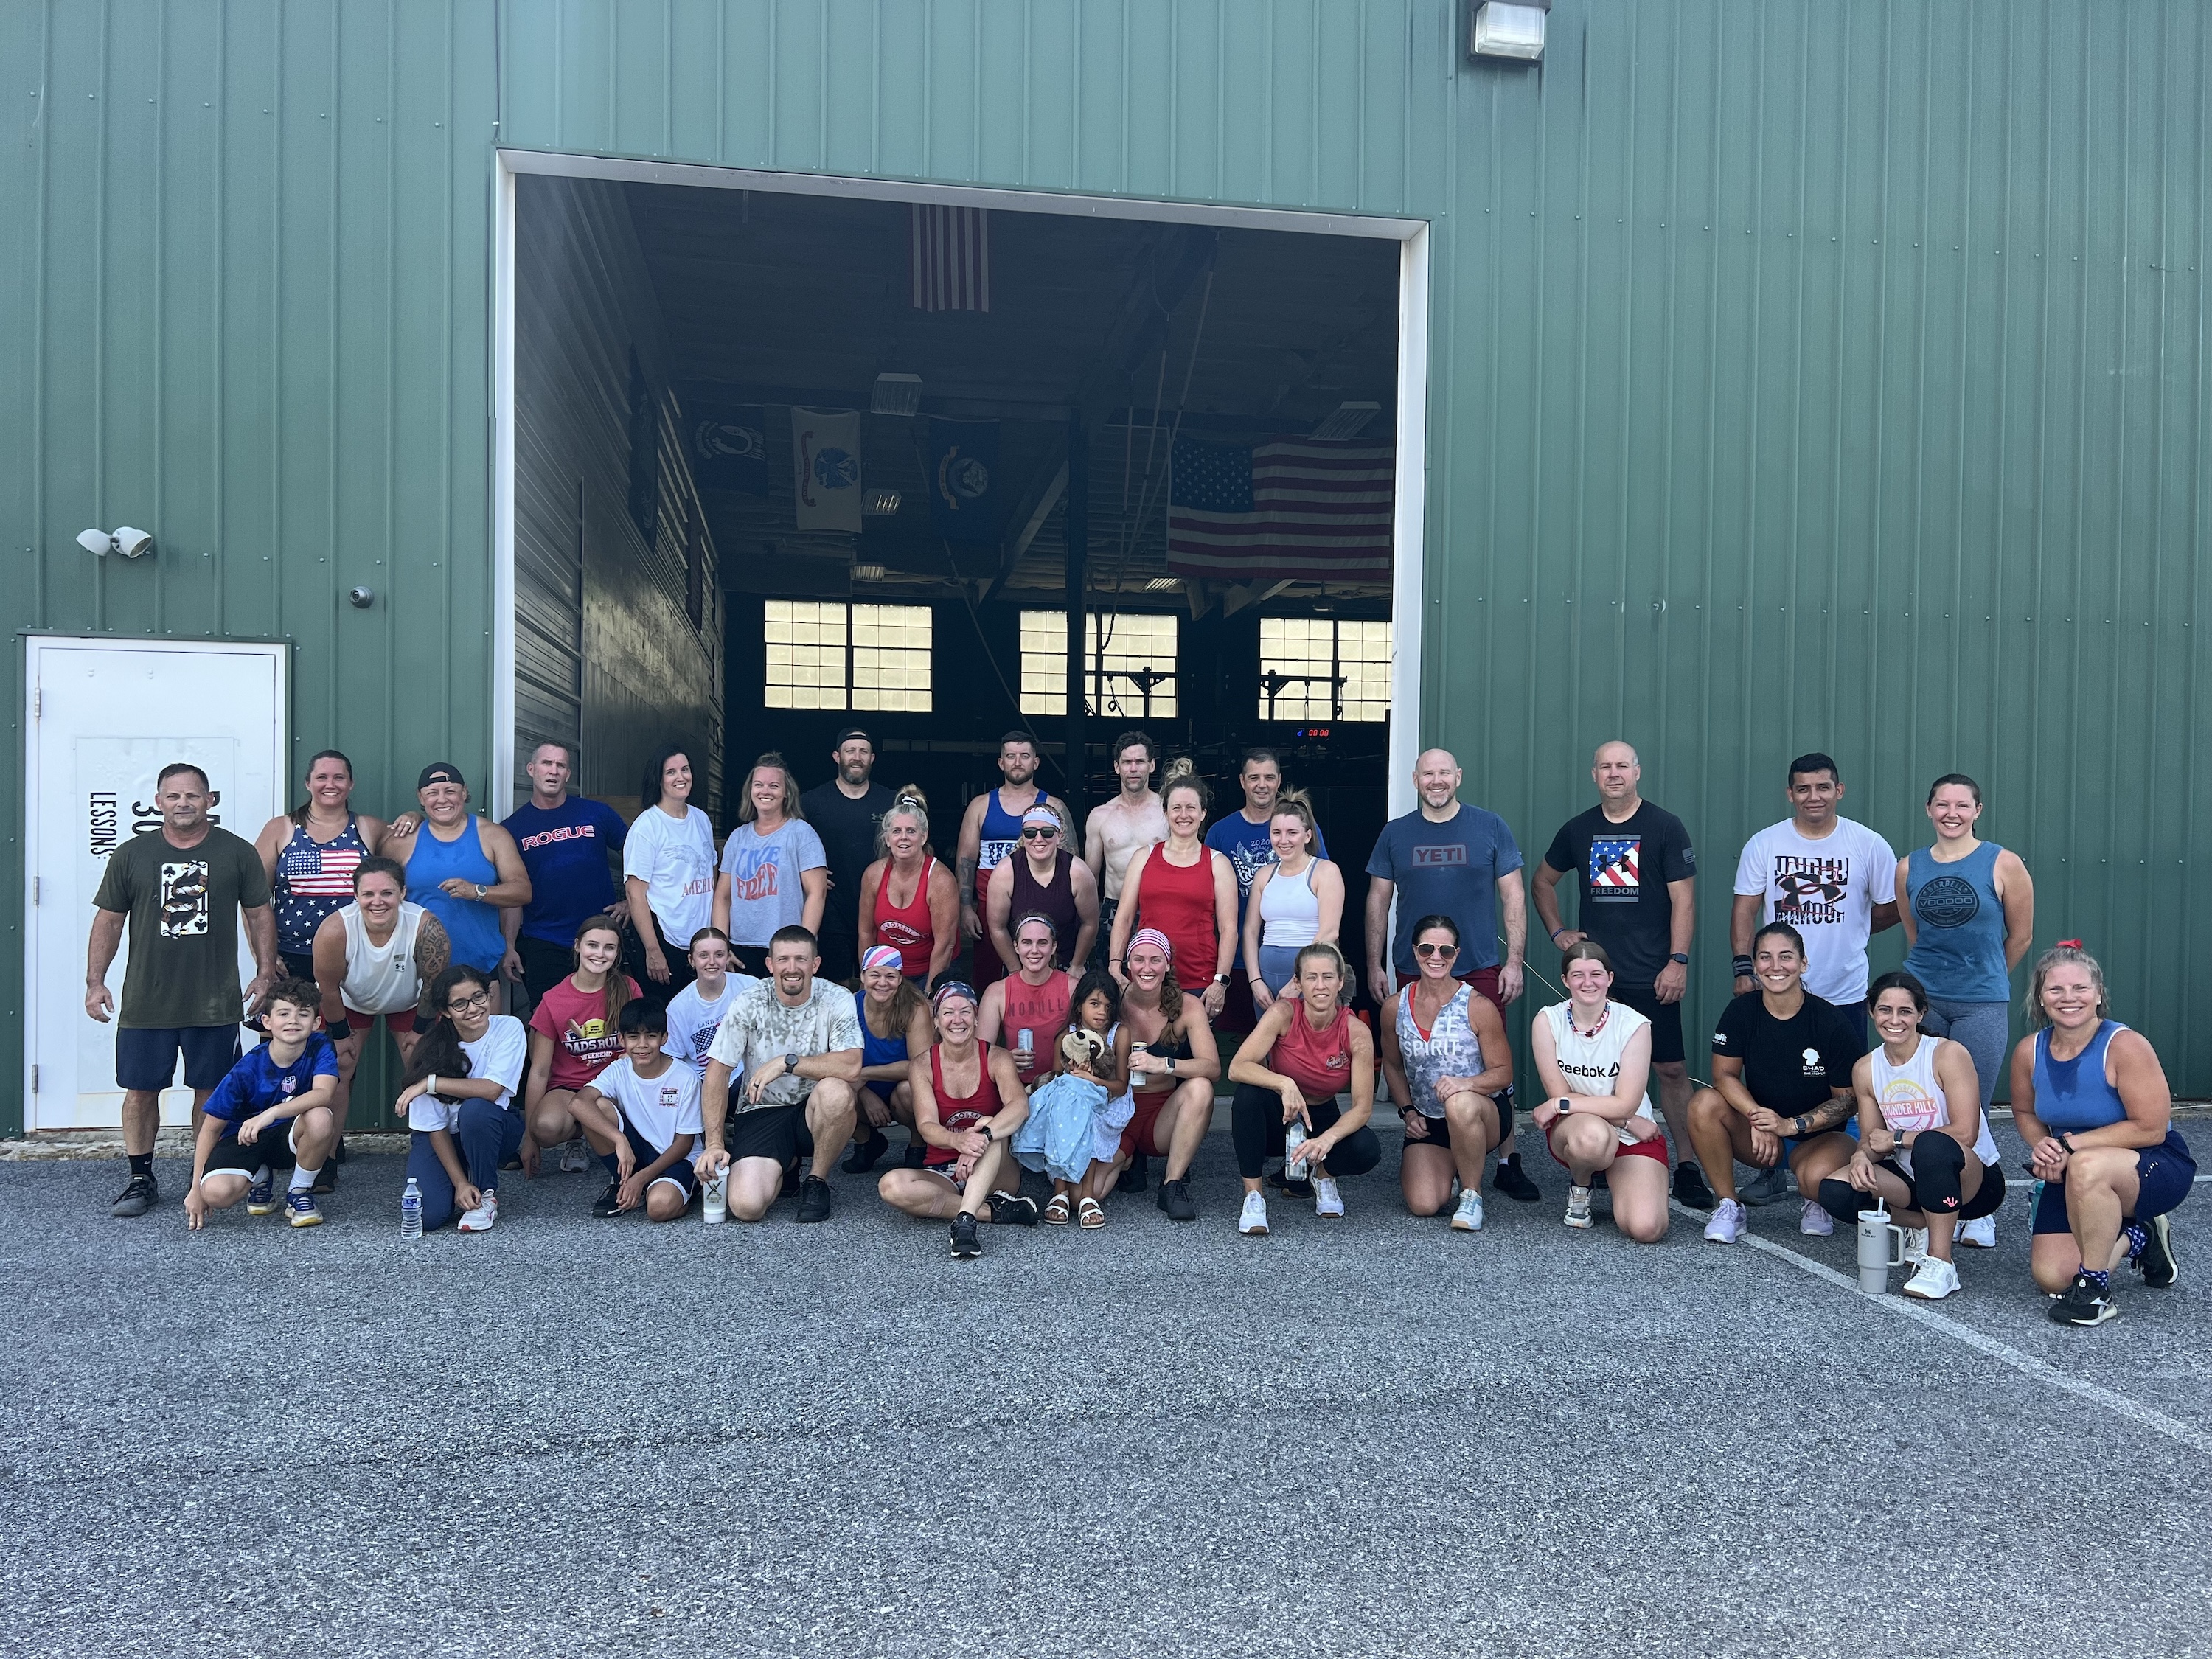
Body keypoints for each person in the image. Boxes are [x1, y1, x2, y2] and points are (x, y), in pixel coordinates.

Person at [86, 762, 277, 1219]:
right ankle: (140, 1178)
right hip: (147, 1000)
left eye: (193, 795)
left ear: (210, 800)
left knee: (211, 1093)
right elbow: (109, 921)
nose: (183, 803)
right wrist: (95, 982)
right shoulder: (132, 854)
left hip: (214, 1001)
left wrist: (266, 971)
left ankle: (203, 1174)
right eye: (173, 796)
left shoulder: (236, 853)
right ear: (158, 802)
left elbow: (258, 914)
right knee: (140, 1091)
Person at [1533, 741, 1706, 1207]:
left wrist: (1678, 960)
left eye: (1622, 766)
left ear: (1637, 772)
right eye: (1606, 767)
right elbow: (1542, 881)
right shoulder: (1580, 829)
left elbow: (1684, 901)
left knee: (1669, 1070)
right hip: (1595, 977)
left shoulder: (1664, 827)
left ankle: (1686, 1164)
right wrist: (1558, 933)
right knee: (1597, 1072)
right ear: (1594, 775)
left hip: (1653, 975)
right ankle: (1602, 1154)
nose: (1614, 774)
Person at [1364, 748, 1537, 1203]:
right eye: (1427, 774)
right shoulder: (1395, 834)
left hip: (1477, 963)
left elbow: (1514, 897)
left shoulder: (1490, 826)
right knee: (1420, 1055)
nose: (1436, 781)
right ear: (1414, 779)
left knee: (1488, 1062)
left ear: (1458, 777)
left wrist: (1515, 961)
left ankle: (1507, 1161)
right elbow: (1378, 902)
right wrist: (1374, 963)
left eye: (1444, 773)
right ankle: (1428, 1137)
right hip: (1413, 963)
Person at [2009, 944, 2191, 1326]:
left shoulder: (2125, 1045)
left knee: (2088, 1165)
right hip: (2076, 1168)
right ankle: (2141, 1235)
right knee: (2054, 1277)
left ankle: (2095, 1291)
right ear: (2040, 998)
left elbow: (2150, 1126)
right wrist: (2042, 1147)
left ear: (2099, 995)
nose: (2069, 998)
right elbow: (2025, 1112)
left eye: (2080, 988)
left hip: (2153, 1163)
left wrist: (2068, 1146)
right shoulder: (2030, 1050)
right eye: (2055, 989)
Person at [1896, 773, 2034, 1250]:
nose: (1951, 813)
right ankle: (1933, 1201)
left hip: (1980, 1002)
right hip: (1923, 1001)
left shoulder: (2003, 863)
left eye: (1962, 805)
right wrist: (1933, 984)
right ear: (1929, 809)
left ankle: (1977, 1210)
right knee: (1922, 1100)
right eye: (1942, 804)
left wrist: (1987, 975)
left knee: (1968, 1106)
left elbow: (2020, 936)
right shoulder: (1908, 867)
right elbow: (1915, 934)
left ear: (1977, 810)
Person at [1814, 971, 2006, 1301]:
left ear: (1921, 1014)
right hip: (1911, 1179)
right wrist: (1861, 1155)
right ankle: (1921, 1224)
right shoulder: (1866, 1068)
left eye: (1905, 1011)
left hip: (1972, 1182)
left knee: (1932, 1144)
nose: (1895, 1019)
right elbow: (1873, 1138)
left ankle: (1941, 1263)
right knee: (1836, 1190)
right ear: (1872, 1012)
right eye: (1885, 1010)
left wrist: (1897, 1138)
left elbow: (1965, 1132)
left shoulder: (1947, 1054)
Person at [1688, 922, 1865, 1244]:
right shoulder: (1741, 1011)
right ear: (1755, 965)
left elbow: (1848, 1101)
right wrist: (1759, 1116)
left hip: (1819, 1137)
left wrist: (1790, 1125)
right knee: (1703, 1104)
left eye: (1786, 957)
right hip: (1761, 1136)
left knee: (1817, 1183)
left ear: (1803, 963)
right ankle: (1730, 1205)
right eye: (1765, 957)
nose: (1776, 966)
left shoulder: (1831, 1022)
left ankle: (1814, 1202)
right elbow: (1723, 1076)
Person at [694, 925, 862, 1223]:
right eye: (783, 959)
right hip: (762, 1109)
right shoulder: (750, 1001)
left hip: (815, 1109)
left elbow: (851, 1065)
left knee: (836, 1091)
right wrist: (714, 1143)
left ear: (816, 964)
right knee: (747, 1207)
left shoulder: (837, 997)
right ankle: (786, 1166)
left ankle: (817, 1181)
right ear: (770, 964)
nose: (792, 968)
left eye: (801, 959)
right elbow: (717, 1071)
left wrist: (786, 1062)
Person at [1731, 751, 1898, 1026]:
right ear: (1790, 794)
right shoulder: (1764, 844)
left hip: (1845, 994)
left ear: (1839, 791)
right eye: (1803, 789)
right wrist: (1743, 970)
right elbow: (1744, 911)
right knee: (1777, 1069)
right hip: (1777, 989)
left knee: (1845, 1070)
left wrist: (1854, 927)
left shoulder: (1869, 844)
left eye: (1823, 787)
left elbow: (1893, 906)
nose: (1813, 797)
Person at [1226, 943, 1381, 1236]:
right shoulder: (1283, 1012)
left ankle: (1322, 1176)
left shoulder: (1356, 1031)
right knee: (1247, 1095)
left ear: (1340, 982)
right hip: (1281, 1114)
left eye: (1327, 977)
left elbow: (1363, 1107)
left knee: (1367, 1148)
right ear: (1297, 983)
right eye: (1311, 978)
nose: (1320, 986)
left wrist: (1327, 1139)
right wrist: (1284, 1083)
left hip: (1321, 1115)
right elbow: (1237, 1067)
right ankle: (1254, 1197)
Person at [875, 981, 1040, 1257]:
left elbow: (1019, 1106)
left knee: (989, 1120)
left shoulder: (997, 1057)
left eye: (965, 1011)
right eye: (948, 1012)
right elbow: (926, 1126)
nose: (957, 1020)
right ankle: (994, 1212)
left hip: (996, 1170)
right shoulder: (922, 1065)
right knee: (891, 1186)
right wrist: (959, 1140)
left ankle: (965, 1222)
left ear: (976, 1018)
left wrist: (980, 1138)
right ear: (937, 1021)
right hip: (944, 1169)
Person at [309, 855, 450, 1175]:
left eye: (387, 893)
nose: (378, 902)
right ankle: (323, 1158)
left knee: (422, 1066)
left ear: (402, 892)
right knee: (340, 1068)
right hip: (349, 1000)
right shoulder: (335, 929)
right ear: (355, 894)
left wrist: (420, 1030)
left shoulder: (426, 927)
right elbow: (328, 989)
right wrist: (342, 1036)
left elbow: (433, 984)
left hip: (410, 1000)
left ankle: (432, 1150)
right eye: (368, 894)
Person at [1378, 916, 1514, 1230]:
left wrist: (1464, 1084)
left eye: (1446, 951)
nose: (1435, 957)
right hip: (1429, 1119)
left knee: (1459, 1102)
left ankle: (1471, 1195)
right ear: (1415, 951)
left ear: (1457, 954)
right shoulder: (1394, 1007)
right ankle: (1454, 1165)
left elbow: (1504, 1073)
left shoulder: (1477, 1005)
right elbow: (1393, 1065)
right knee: (1424, 1204)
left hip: (1482, 1113)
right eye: (1427, 948)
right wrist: (1408, 1112)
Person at [1528, 942, 1669, 1242]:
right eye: (1577, 975)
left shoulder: (1634, 1025)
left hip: (1627, 1133)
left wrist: (1557, 1104)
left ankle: (1618, 1176)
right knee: (1593, 1138)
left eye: (1596, 974)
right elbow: (1561, 1093)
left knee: (1647, 1229)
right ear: (1565, 981)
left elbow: (1625, 1104)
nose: (1588, 982)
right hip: (1579, 1129)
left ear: (1610, 978)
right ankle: (1581, 1187)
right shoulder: (1547, 1021)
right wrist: (1627, 1120)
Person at [182, 978, 340, 1231]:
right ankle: (260, 1177)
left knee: (321, 1116)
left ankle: (298, 1193)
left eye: (303, 1014)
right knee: (215, 1194)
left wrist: (271, 1113)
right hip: (245, 1138)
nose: (293, 1021)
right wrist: (195, 1187)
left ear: (316, 1023)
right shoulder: (247, 1068)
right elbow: (210, 1128)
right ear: (267, 1022)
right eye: (283, 1013)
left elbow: (324, 1093)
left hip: (287, 1136)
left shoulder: (320, 1046)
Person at [385, 762, 531, 1009]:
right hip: (419, 973)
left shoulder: (492, 835)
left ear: (464, 792)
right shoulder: (401, 842)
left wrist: (477, 892)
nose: (442, 799)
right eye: (432, 793)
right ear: (421, 798)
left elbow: (521, 891)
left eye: (450, 791)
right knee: (426, 1047)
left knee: (483, 1047)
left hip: (480, 967)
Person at [394, 964, 529, 1232]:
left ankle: (484, 1194)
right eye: (460, 1004)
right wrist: (458, 1182)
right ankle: (462, 1180)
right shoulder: (430, 1050)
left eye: (479, 997)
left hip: (491, 1128)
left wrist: (432, 1083)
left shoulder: (509, 1028)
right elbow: (435, 1128)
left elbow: (492, 1090)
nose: (473, 1008)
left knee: (477, 1110)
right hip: (443, 1137)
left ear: (489, 994)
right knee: (428, 1217)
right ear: (445, 1012)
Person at [1206, 746, 1331, 1034]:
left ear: (1279, 780)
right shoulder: (1220, 832)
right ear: (1242, 781)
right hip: (1237, 959)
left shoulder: (1303, 828)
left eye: (1269, 777)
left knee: (1297, 1039)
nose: (1262, 785)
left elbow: (1322, 892)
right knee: (1238, 1038)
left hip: (1299, 959)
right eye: (1254, 777)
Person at [500, 741, 630, 1009]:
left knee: (608, 1016)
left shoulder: (597, 813)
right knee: (547, 1020)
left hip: (600, 938)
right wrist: (510, 946)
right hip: (544, 941)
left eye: (561, 765)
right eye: (547, 763)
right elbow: (513, 893)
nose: (554, 771)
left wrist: (631, 901)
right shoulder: (512, 828)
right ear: (531, 769)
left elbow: (641, 856)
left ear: (568, 775)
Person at [1107, 759, 1237, 1021]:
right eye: (1176, 808)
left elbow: (1229, 929)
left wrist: (1220, 983)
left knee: (1194, 1058)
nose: (1183, 815)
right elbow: (1123, 917)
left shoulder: (1218, 863)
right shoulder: (1143, 858)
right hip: (1146, 976)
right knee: (1141, 1056)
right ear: (1165, 812)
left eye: (1191, 808)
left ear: (1203, 813)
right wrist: (1115, 966)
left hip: (1199, 979)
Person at [1107, 929, 1222, 1220]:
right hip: (1115, 1114)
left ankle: (1172, 1184)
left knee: (1201, 1088)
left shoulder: (1187, 1006)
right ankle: (1132, 1160)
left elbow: (1212, 1067)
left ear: (1168, 964)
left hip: (1160, 1116)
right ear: (1127, 965)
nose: (1147, 968)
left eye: (1156, 960)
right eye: (1139, 960)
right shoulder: (1110, 1001)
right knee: (1092, 1192)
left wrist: (1165, 1064)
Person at [254, 748, 389, 982]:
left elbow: (409, 857)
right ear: (308, 783)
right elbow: (253, 901)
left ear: (351, 784)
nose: (331, 784)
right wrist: (263, 957)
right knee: (293, 1019)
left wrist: (413, 816)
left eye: (339, 777)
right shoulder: (280, 829)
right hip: (291, 958)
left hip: (354, 956)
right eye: (322, 777)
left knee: (344, 1021)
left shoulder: (370, 828)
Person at [521, 917, 641, 1173]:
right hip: (569, 1088)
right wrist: (529, 1138)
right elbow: (540, 1070)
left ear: (617, 953)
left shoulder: (629, 989)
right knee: (544, 1128)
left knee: (600, 1105)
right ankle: (578, 1138)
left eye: (609, 947)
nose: (600, 954)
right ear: (577, 946)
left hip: (615, 1085)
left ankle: (611, 1136)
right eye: (593, 945)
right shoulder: (553, 999)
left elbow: (644, 1045)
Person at [956, 730, 1074, 989]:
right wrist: (965, 907)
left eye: (1024, 756)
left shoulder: (1054, 806)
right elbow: (966, 860)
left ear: (1036, 762)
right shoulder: (981, 805)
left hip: (1042, 903)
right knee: (988, 979)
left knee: (1046, 974)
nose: (1017, 762)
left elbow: (1071, 863)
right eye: (1011, 756)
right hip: (991, 906)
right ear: (1001, 763)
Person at [1014, 972, 1131, 1228]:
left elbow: (1121, 1087)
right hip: (1068, 1108)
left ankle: (1086, 1194)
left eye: (1108, 1006)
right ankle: (1060, 1192)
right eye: (1095, 1004)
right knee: (1067, 1110)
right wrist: (1073, 1079)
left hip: (1108, 1105)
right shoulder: (1066, 1035)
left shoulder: (1119, 1033)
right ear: (1079, 1005)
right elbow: (1057, 1080)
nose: (1102, 1012)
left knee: (1085, 1116)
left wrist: (1093, 1080)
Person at [567, 999, 701, 1222]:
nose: (642, 1045)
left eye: (651, 1036)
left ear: (664, 1038)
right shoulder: (619, 1069)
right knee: (598, 1107)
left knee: (658, 1209)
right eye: (633, 1037)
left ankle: (664, 1188)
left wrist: (642, 1178)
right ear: (621, 1039)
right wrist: (619, 1139)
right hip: (638, 1148)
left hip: (676, 1157)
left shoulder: (685, 1077)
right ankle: (621, 1181)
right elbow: (577, 1103)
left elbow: (684, 1143)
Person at [715, 753, 827, 977]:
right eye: (759, 785)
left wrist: (803, 948)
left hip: (786, 949)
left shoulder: (801, 834)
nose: (765, 791)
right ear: (750, 790)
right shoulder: (737, 838)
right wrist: (721, 948)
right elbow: (722, 897)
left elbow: (818, 892)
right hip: (740, 948)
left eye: (774, 785)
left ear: (786, 793)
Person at [800, 726, 897, 984]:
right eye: (850, 750)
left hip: (881, 911)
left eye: (863, 751)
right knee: (835, 988)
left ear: (872, 758)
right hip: (832, 913)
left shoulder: (890, 802)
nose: (857, 757)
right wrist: (805, 874)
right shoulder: (812, 802)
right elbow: (787, 844)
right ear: (836, 756)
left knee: (881, 987)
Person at [622, 745, 717, 992]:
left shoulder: (701, 819)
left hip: (701, 940)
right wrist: (653, 951)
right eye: (671, 772)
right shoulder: (647, 826)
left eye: (685, 769)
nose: (681, 777)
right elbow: (635, 893)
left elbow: (711, 874)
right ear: (658, 779)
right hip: (665, 939)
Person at [1240, 791, 1343, 1018]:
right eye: (1276, 833)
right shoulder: (1264, 875)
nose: (1283, 840)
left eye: (1292, 833)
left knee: (1306, 1046)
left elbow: (1329, 931)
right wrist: (1255, 980)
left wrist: (1297, 983)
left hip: (1310, 979)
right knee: (1269, 1046)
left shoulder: (1326, 871)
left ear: (1307, 836)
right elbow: (1249, 931)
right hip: (1266, 978)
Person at [841, 945, 933, 1174]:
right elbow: (837, 1062)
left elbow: (921, 1066)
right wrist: (864, 1092)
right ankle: (867, 1142)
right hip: (862, 1089)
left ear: (900, 978)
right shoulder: (849, 1006)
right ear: (862, 976)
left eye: (890, 976)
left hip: (899, 1090)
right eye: (875, 975)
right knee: (830, 1088)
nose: (882, 982)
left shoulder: (915, 1007)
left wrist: (864, 1074)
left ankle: (919, 1142)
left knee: (909, 1089)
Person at [1082, 731, 1168, 971]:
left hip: (1158, 907)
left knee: (1159, 982)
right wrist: (1086, 924)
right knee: (1110, 982)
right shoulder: (1101, 816)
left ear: (1151, 765)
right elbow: (1089, 878)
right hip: (1113, 907)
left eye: (1140, 762)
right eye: (1127, 762)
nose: (1133, 768)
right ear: (1117, 767)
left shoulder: (1169, 812)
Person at [857, 790, 959, 987]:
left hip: (930, 971)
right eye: (896, 831)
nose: (903, 837)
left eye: (911, 831)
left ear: (923, 837)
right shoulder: (873, 875)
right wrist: (868, 978)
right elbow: (866, 933)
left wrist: (929, 994)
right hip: (887, 971)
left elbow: (945, 945)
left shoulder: (940, 879)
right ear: (887, 838)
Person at [984, 804, 1099, 974]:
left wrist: (1077, 964)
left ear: (1059, 836)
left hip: (1066, 964)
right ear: (1023, 836)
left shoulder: (1078, 872)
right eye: (1030, 833)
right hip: (1022, 964)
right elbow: (997, 927)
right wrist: (1015, 970)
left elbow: (1090, 923)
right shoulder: (1005, 872)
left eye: (1047, 832)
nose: (1039, 839)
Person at [978, 912, 1079, 1089]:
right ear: (1016, 947)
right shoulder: (997, 992)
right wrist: (1005, 1058)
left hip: (1064, 1086)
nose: (1034, 950)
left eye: (1042, 942)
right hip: (1015, 1087)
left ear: (1054, 947)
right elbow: (980, 1054)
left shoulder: (1072, 987)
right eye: (1027, 942)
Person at [661, 928, 754, 1082]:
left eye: (719, 954)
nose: (712, 962)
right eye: (703, 955)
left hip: (747, 1076)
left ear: (728, 957)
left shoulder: (750, 987)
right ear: (691, 960)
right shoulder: (678, 1007)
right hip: (704, 1082)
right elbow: (672, 1059)